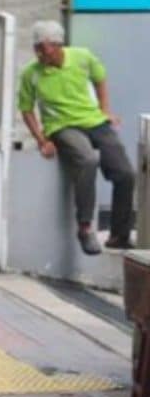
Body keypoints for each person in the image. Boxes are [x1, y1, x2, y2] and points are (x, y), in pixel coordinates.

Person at [18, 20, 135, 255]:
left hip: (92, 120)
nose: (39, 53)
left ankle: (119, 235)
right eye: (37, 48)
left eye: (44, 47)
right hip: (61, 126)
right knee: (88, 159)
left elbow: (99, 77)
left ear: (58, 45)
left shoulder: (82, 57)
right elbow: (26, 109)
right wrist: (42, 140)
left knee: (125, 173)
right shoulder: (31, 74)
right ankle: (84, 227)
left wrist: (104, 110)